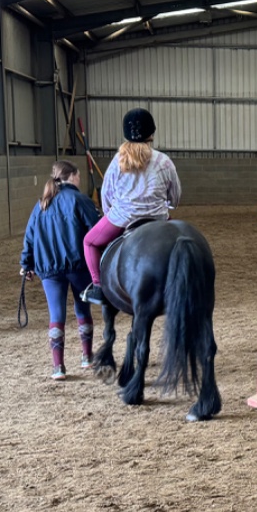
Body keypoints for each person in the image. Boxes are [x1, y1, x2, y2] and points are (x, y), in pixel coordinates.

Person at [80, 108, 181, 307]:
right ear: (152, 133)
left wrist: (110, 212)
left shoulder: (117, 161)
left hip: (122, 218)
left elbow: (106, 194)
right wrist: (167, 205)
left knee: (89, 242)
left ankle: (98, 287)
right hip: (157, 219)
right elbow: (175, 196)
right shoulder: (164, 161)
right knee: (183, 243)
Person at [21, 161, 99, 380]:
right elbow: (95, 231)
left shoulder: (41, 204)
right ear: (72, 176)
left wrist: (26, 264)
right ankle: (86, 357)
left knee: (56, 314)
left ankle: (58, 367)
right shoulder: (80, 200)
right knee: (82, 309)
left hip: (49, 267)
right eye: (78, 176)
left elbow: (30, 236)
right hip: (78, 265)